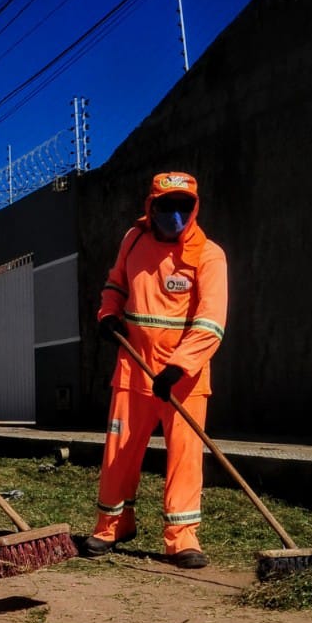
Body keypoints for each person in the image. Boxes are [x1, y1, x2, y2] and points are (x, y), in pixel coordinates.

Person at [83, 172, 227, 568]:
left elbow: (212, 321)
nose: (175, 215)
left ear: (195, 208)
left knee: (184, 455)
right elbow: (116, 285)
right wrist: (109, 314)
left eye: (184, 206)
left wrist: (178, 368)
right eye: (167, 206)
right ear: (151, 206)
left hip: (185, 379)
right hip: (133, 368)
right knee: (119, 452)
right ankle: (112, 524)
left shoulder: (209, 255)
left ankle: (182, 538)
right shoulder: (133, 241)